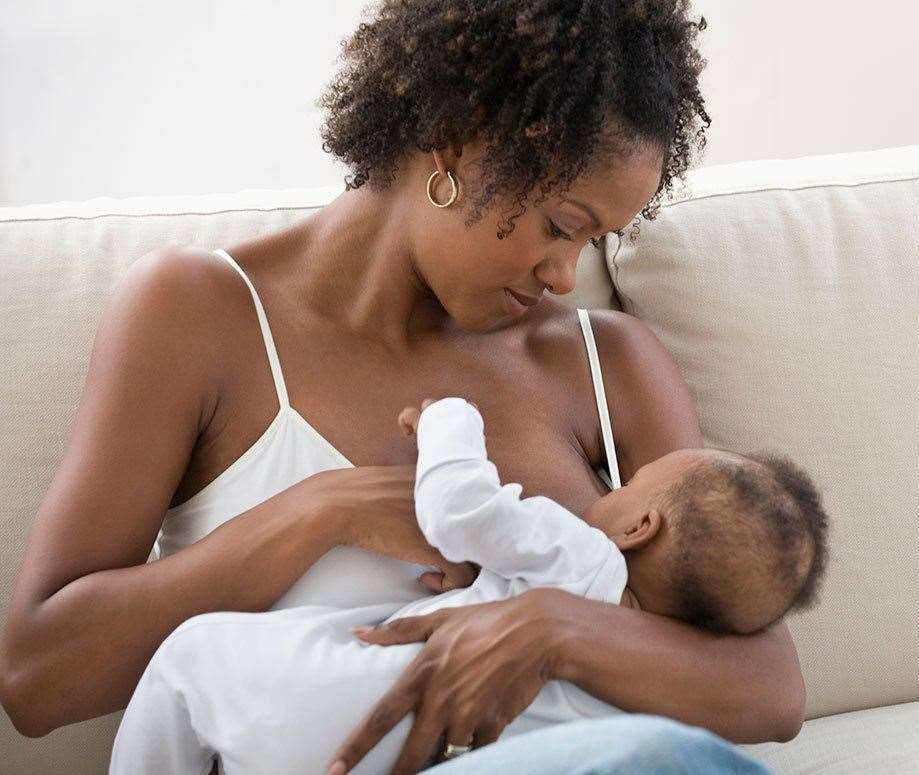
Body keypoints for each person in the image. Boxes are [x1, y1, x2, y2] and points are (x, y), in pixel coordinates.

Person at [1, 2, 810, 772]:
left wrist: (550, 628)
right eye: (561, 226)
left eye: (595, 239)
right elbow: (37, 676)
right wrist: (322, 512)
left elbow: (770, 689)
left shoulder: (607, 363)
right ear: (455, 144)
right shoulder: (198, 312)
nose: (567, 272)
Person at [108, 396, 829, 774]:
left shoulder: (585, 553)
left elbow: (457, 510)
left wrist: (450, 423)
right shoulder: (648, 680)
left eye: (626, 481)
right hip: (389, 752)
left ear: (639, 525)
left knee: (189, 658)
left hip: (308, 711)